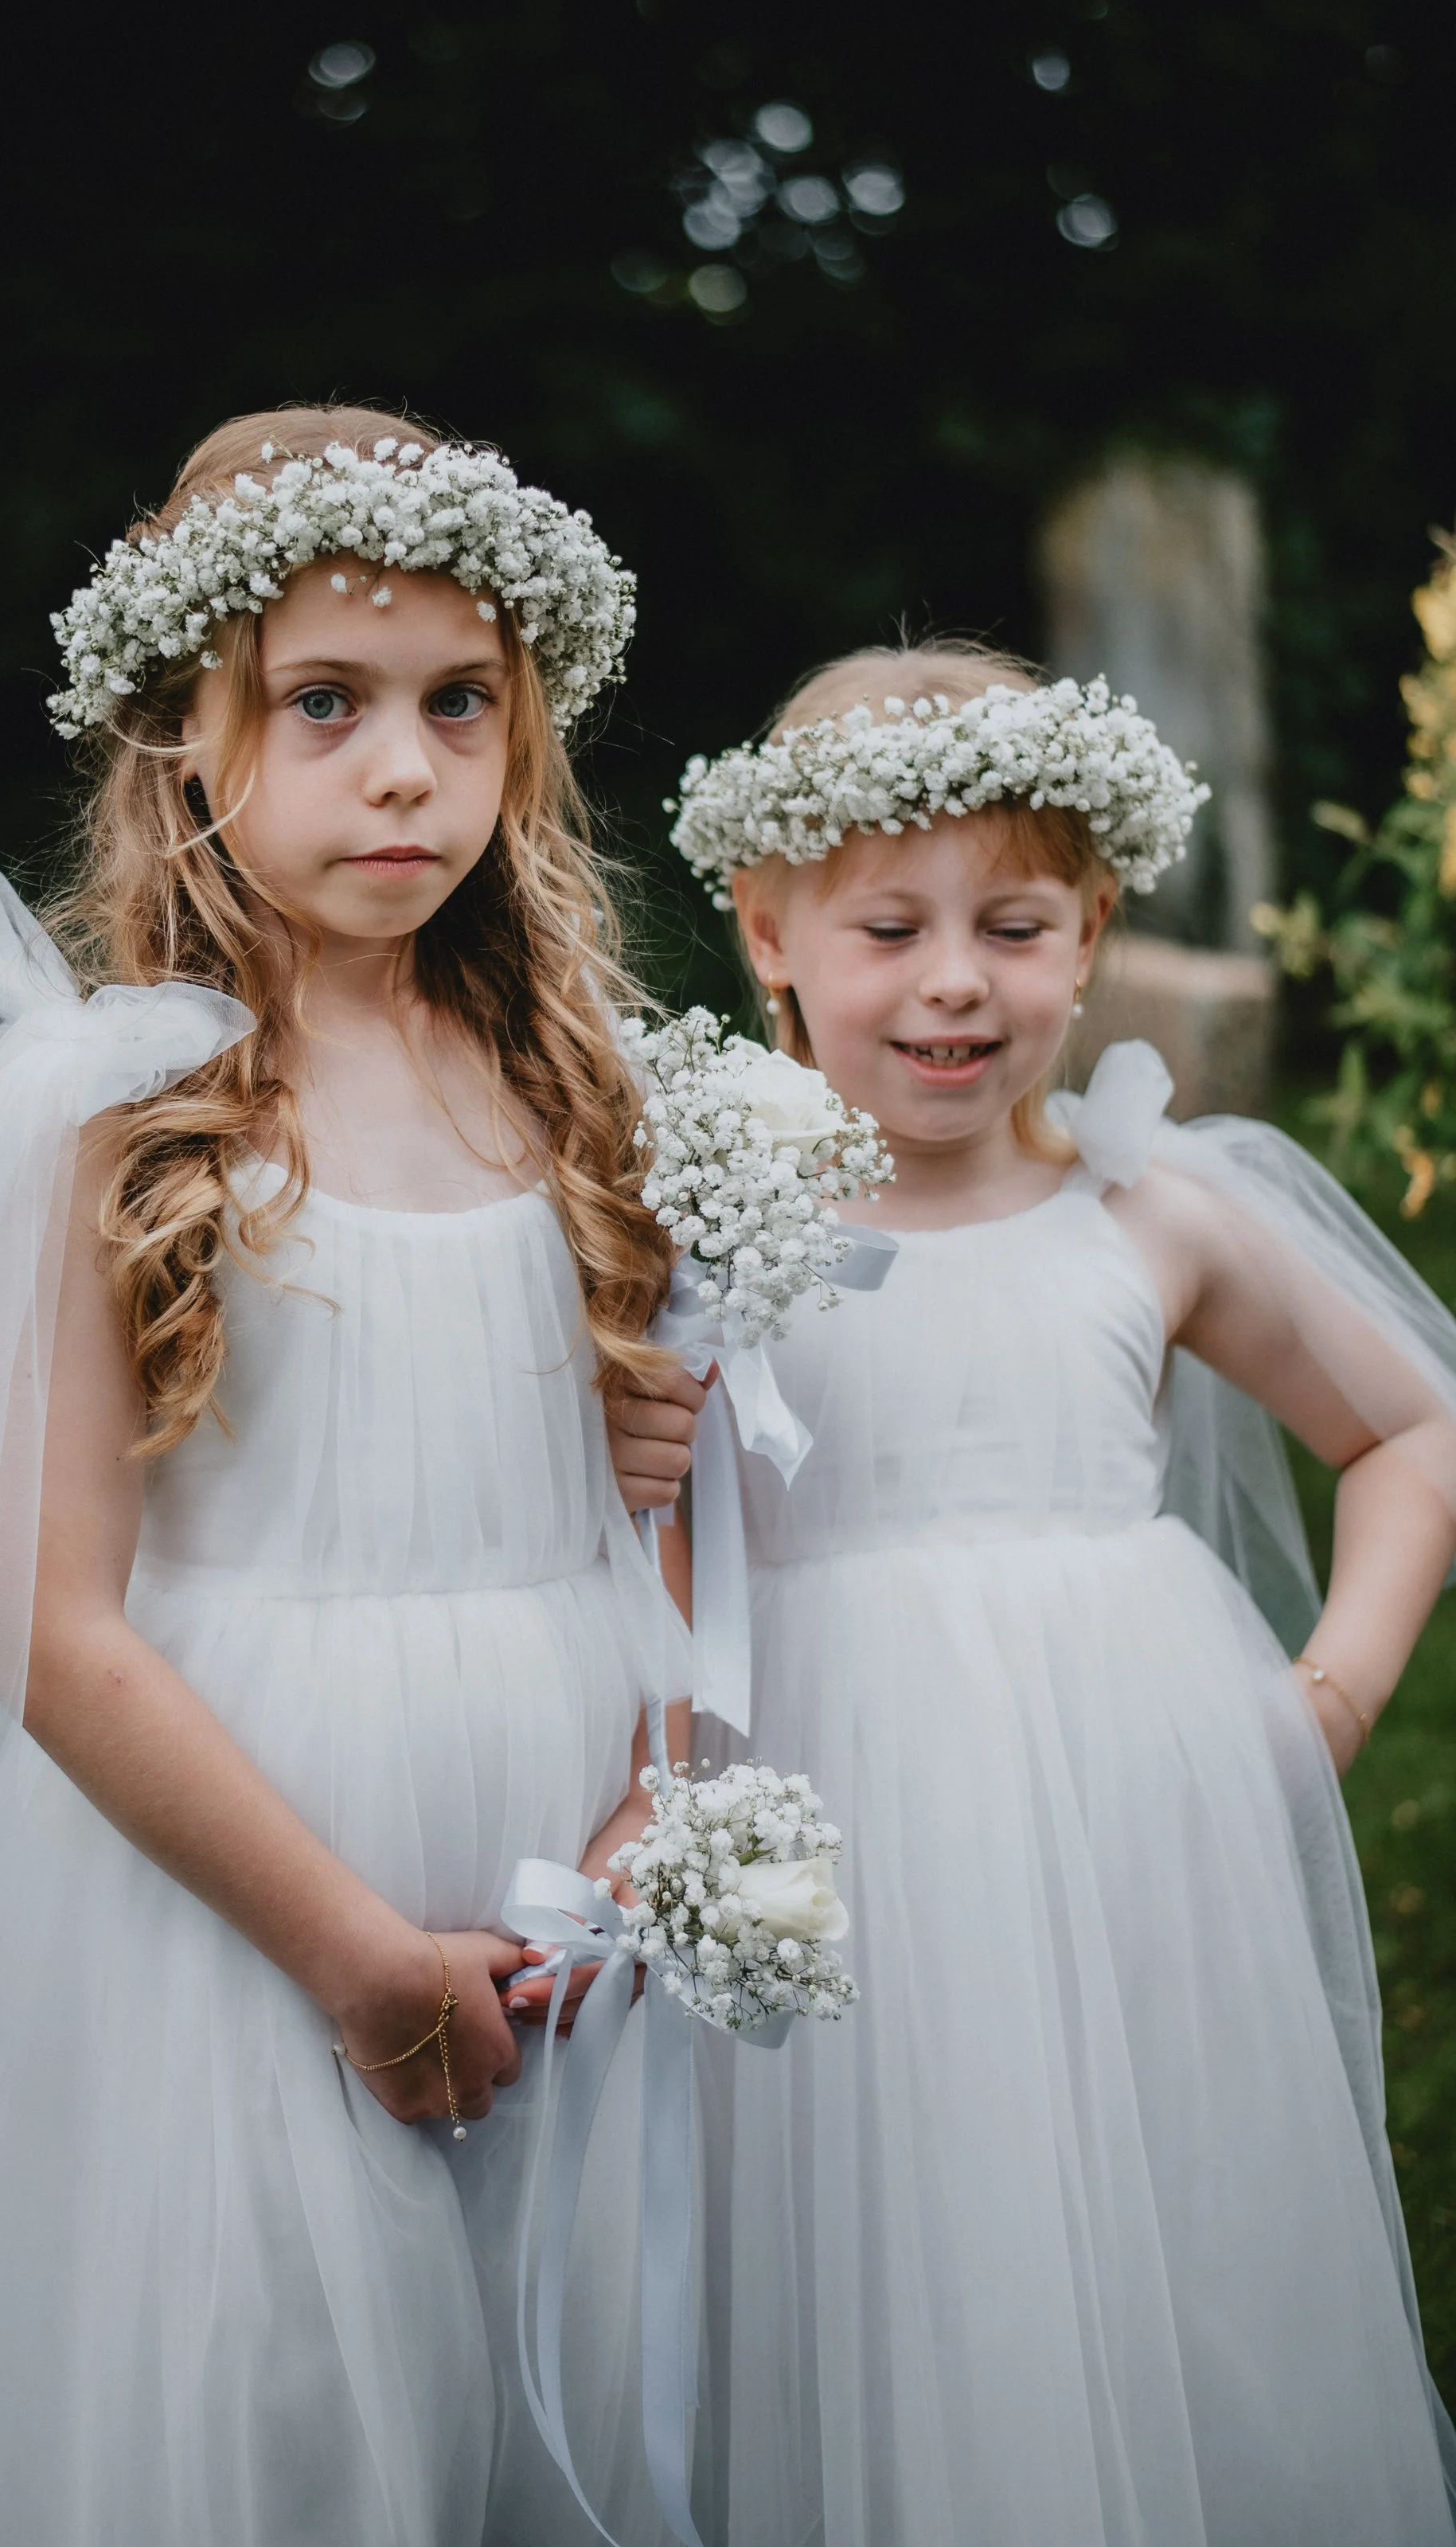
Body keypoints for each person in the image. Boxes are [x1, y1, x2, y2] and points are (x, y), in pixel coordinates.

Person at [0, 408, 689, 2547]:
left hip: (550, 1882)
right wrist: (339, 1950)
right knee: (280, 2415)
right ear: (185, 742)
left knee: (540, 2398)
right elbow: (49, 1629)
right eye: (324, 703)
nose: (404, 767)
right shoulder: (112, 1105)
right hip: (247, 1886)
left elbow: (641, 1505)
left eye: (454, 705)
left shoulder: (567, 1077)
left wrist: (643, 1808)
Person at [612, 641, 1456, 2546]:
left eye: (1010, 926)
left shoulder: (1147, 1213)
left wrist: (1324, 1695)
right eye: (887, 927)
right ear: (765, 932)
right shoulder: (692, 1227)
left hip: (1127, 1811)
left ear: (1087, 937)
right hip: (827, 1809)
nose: (949, 984)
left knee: (1155, 2221)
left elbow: (1411, 1437)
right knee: (872, 2237)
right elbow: (621, 1522)